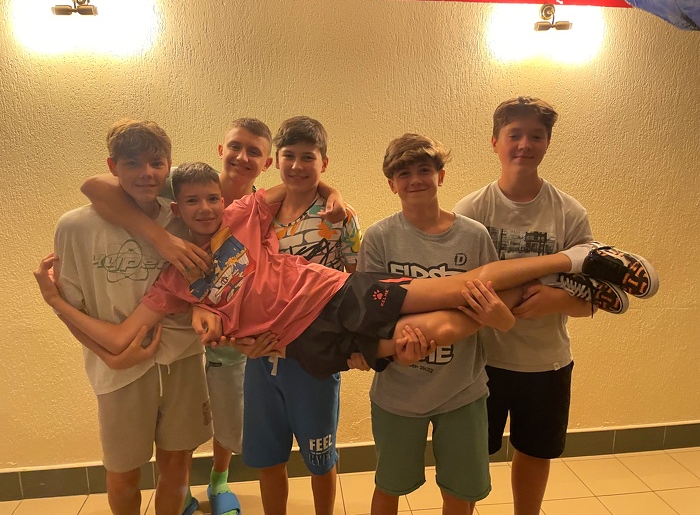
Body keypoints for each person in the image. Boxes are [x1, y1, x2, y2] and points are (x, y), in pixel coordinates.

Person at [36, 162, 657, 381]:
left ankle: (580, 260)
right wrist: (57, 303)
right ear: (175, 208)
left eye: (210, 199)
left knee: (459, 290)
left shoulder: (244, 215)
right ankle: (566, 290)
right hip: (303, 346)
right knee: (432, 332)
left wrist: (334, 192)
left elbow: (302, 178)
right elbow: (119, 340)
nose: (203, 210)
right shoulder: (174, 282)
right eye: (190, 203)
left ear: (223, 199)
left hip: (334, 296)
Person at [80, 117, 346, 515]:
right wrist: (162, 240)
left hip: (243, 344)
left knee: (229, 421)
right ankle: (183, 494)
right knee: (185, 433)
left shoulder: (258, 206)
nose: (242, 157)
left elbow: (261, 269)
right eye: (235, 147)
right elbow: (95, 186)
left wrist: (332, 190)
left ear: (267, 162)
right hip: (181, 339)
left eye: (254, 152)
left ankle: (219, 481)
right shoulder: (189, 185)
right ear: (221, 150)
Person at [452, 96, 658, 515]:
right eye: (514, 134)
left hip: (545, 363)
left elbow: (589, 305)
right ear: (494, 142)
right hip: (480, 361)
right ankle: (569, 263)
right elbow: (459, 289)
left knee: (535, 452)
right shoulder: (471, 210)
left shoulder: (568, 211)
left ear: (547, 143)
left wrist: (557, 300)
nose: (524, 144)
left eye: (536, 136)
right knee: (470, 458)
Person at [51, 119, 212, 515]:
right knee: (123, 473)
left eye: (156, 163)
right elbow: (71, 308)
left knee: (178, 464)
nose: (146, 173)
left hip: (182, 359)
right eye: (132, 163)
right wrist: (109, 356)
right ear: (113, 166)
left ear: (169, 166)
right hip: (119, 372)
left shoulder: (183, 218)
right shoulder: (75, 227)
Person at [358, 133, 513, 515]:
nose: (415, 180)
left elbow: (497, 299)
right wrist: (397, 349)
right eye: (404, 173)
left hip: (462, 389)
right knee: (389, 485)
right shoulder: (379, 237)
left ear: (440, 176)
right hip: (397, 392)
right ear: (391, 184)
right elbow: (370, 317)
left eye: (424, 170)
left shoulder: (474, 236)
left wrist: (499, 317)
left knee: (461, 492)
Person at [241, 117, 362, 515]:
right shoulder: (259, 214)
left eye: (308, 157)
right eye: (288, 156)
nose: (296, 165)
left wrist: (353, 343)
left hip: (315, 355)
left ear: (324, 163)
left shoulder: (339, 215)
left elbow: (357, 283)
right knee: (268, 458)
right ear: (276, 160)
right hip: (261, 355)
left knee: (320, 459)